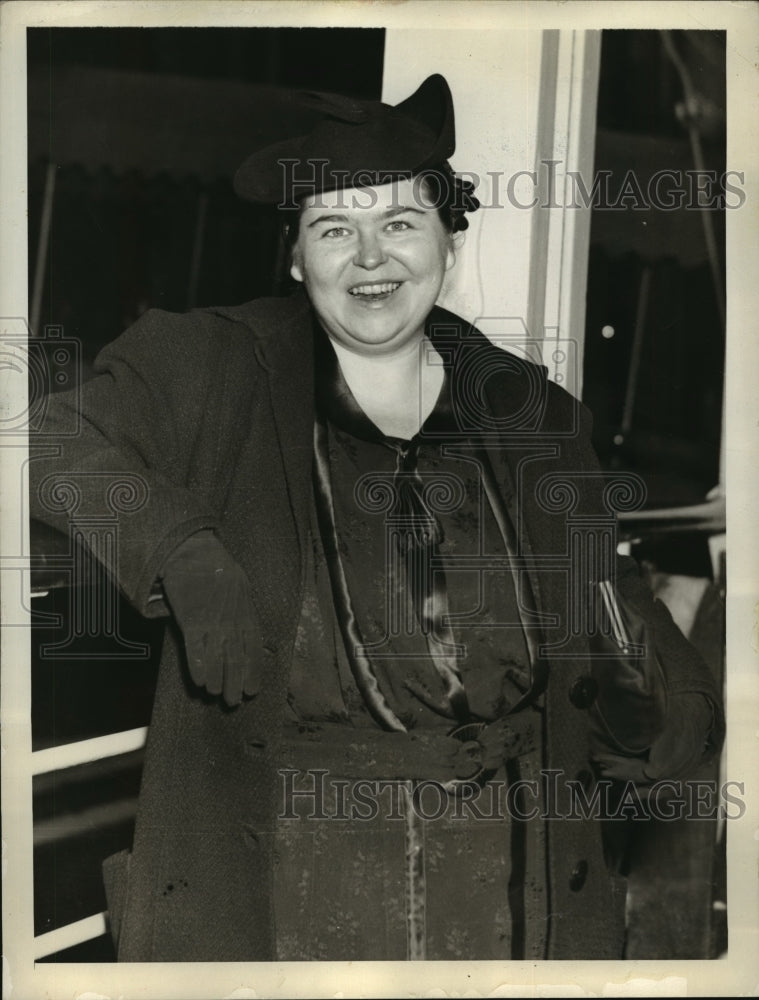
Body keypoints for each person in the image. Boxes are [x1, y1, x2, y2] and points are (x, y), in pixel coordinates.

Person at [30, 73, 723, 962]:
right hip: (286, 893)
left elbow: (611, 614)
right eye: (333, 228)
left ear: (447, 241)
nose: (370, 257)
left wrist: (661, 698)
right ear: (292, 257)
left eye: (399, 223)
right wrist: (179, 549)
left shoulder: (532, 415)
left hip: (513, 892)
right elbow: (39, 441)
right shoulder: (215, 369)